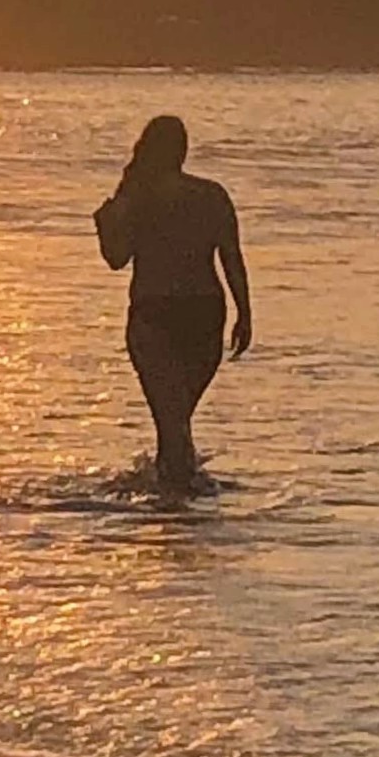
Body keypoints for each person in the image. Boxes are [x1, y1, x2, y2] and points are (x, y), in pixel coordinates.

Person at [94, 113, 251, 492]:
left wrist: (105, 222)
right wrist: (244, 313)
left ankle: (172, 496)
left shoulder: (138, 199)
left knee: (172, 420)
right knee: (176, 419)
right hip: (205, 315)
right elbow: (231, 257)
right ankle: (181, 500)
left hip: (155, 317)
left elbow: (116, 258)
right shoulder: (212, 195)